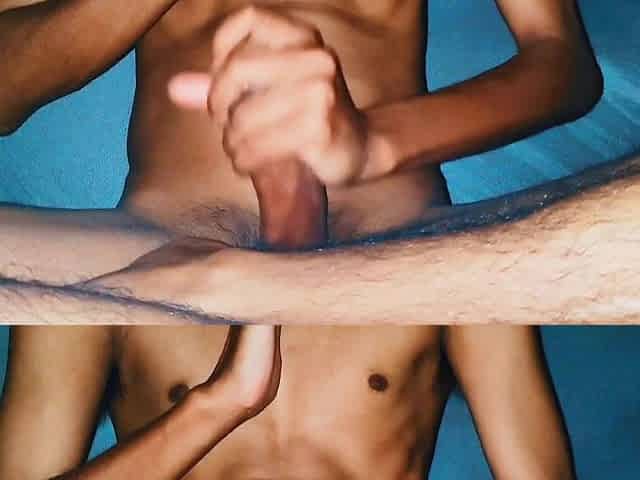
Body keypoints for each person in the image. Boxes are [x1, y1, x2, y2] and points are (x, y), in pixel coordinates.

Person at [0, 0, 605, 478]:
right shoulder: (468, 287)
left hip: (378, 237)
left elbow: (562, 59)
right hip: (395, 261)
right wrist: (220, 403)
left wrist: (374, 143)